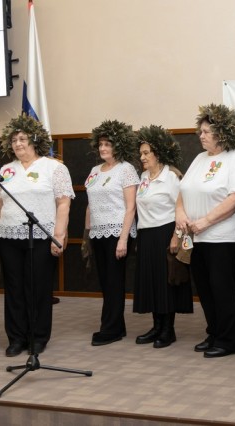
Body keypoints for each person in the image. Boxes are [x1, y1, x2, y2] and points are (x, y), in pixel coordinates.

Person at [0, 114, 74, 357]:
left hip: (42, 236)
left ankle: (38, 337)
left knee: (38, 288)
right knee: (14, 289)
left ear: (35, 141)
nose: (17, 144)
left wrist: (59, 235)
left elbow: (63, 203)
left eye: (22, 139)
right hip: (9, 237)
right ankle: (16, 338)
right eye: (14, 140)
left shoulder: (54, 168)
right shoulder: (6, 170)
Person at [175, 103, 235, 358]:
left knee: (222, 288)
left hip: (222, 237)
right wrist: (180, 214)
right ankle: (215, 333)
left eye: (207, 131)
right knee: (205, 290)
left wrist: (206, 221)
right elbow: (183, 190)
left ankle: (229, 340)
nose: (202, 135)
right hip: (196, 237)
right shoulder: (199, 159)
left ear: (222, 133)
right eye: (201, 131)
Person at [133, 125, 193, 348]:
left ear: (157, 153)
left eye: (146, 153)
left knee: (165, 284)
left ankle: (168, 330)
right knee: (151, 282)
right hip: (146, 235)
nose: (142, 157)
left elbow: (182, 208)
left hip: (166, 233)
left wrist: (176, 237)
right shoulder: (143, 177)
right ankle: (156, 326)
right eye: (141, 153)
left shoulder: (172, 176)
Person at [84, 120, 139, 346]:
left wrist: (123, 239)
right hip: (97, 233)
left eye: (108, 144)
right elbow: (90, 205)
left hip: (118, 232)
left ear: (118, 146)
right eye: (100, 144)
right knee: (106, 282)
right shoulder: (95, 171)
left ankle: (110, 330)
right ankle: (117, 325)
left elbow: (131, 207)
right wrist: (86, 234)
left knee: (114, 281)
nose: (103, 148)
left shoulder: (126, 169)